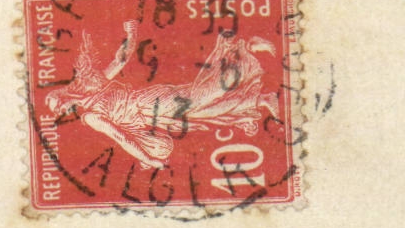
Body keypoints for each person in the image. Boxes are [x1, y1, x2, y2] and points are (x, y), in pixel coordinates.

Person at [42, 21, 280, 170]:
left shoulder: (92, 112)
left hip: (148, 104)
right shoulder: (91, 99)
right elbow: (125, 134)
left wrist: (151, 160)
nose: (63, 112)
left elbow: (121, 138)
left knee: (199, 98)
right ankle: (260, 99)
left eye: (59, 107)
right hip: (151, 114)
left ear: (63, 97)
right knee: (201, 112)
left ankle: (244, 50)